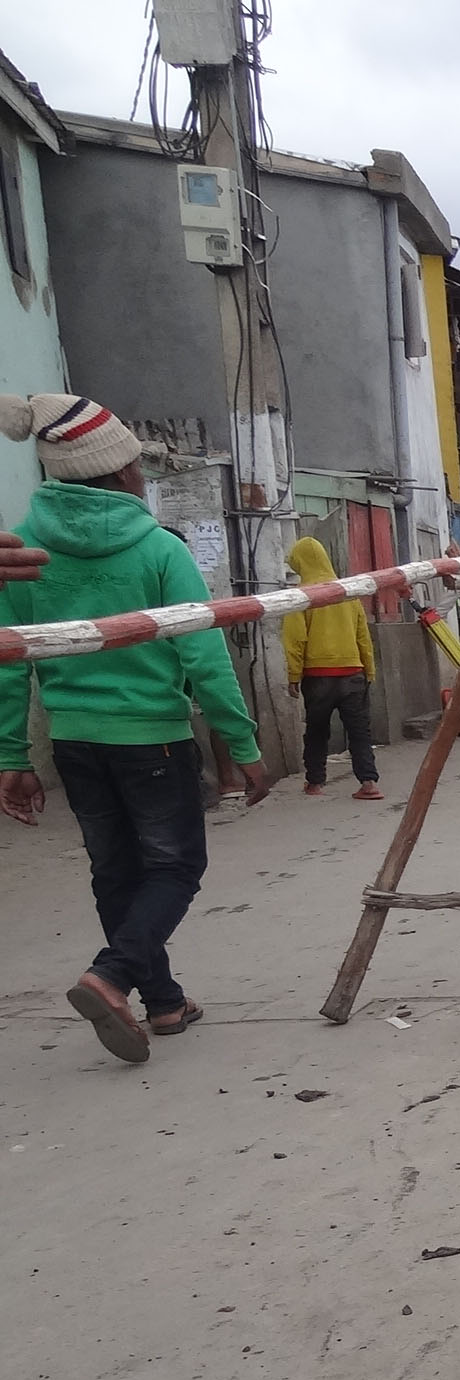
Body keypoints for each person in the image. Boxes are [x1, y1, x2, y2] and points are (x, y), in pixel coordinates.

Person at [0, 391, 273, 1063]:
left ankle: (166, 1002)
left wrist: (13, 753)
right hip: (151, 735)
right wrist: (242, 746)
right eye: (139, 469)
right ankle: (111, 976)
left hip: (73, 740)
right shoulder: (159, 549)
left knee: (116, 871)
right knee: (176, 866)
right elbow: (203, 654)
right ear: (123, 473)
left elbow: (10, 662)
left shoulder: (22, 551)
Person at [281, 535, 380, 801]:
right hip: (353, 673)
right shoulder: (347, 593)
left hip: (318, 677)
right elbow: (363, 636)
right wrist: (368, 670)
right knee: (359, 731)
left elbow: (295, 639)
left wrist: (293, 674)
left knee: (316, 730)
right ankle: (368, 782)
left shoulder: (301, 596)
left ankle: (315, 783)